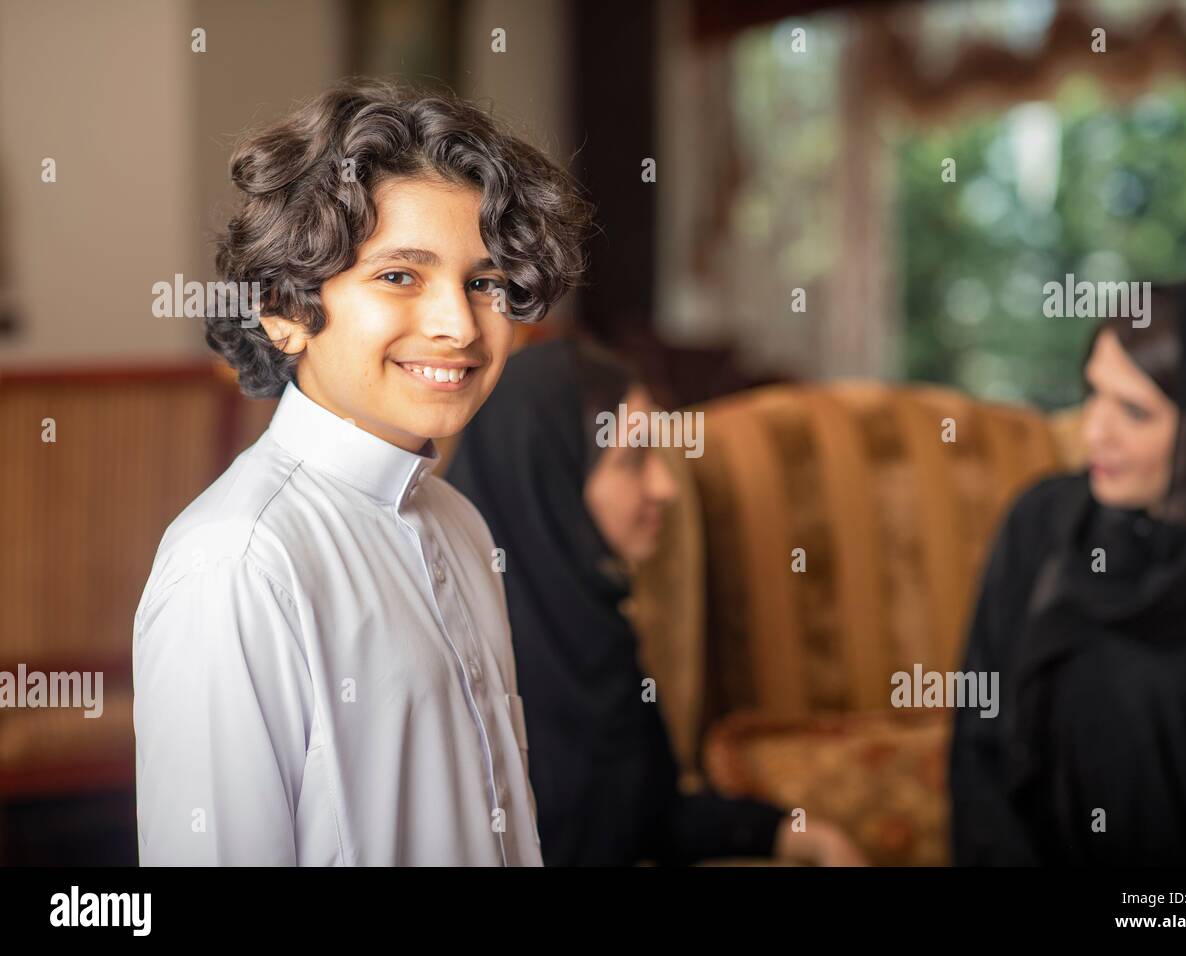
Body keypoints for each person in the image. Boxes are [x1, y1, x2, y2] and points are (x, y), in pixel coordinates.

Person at [132, 80, 592, 865]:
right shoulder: (240, 564)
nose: (457, 323)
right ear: (282, 307)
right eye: (399, 276)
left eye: (484, 282)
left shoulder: (461, 524)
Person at [447, 337, 867, 866]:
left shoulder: (596, 631)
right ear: (550, 474)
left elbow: (649, 816)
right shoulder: (462, 664)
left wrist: (799, 835)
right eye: (633, 460)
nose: (665, 486)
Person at [950, 279, 1186, 865]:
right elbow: (978, 751)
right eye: (1094, 393)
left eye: (1134, 412)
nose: (1093, 433)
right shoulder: (1041, 526)